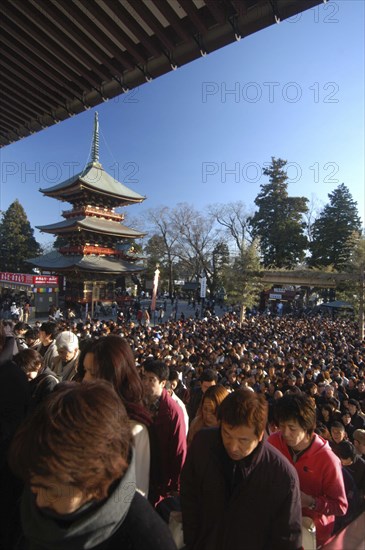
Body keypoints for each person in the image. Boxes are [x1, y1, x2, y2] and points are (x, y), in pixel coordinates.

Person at [8, 380, 177, 550]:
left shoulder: (147, 539)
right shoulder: (33, 496)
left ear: (96, 482)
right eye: (35, 488)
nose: (40, 501)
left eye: (53, 492)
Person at [180, 389, 302, 550]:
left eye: (243, 440)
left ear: (259, 436)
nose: (233, 446)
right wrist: (193, 539)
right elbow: (189, 494)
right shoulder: (203, 445)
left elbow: (287, 540)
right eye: (227, 434)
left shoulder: (282, 476)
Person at [268, 393, 348, 547]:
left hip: (312, 535)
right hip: (278, 525)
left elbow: (340, 506)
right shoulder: (273, 443)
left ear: (307, 426)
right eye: (282, 426)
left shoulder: (328, 460)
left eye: (292, 428)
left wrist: (311, 502)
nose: (285, 434)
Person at [81, 336, 152, 497]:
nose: (85, 379)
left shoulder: (134, 429)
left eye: (92, 373)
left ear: (113, 376)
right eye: (85, 371)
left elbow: (134, 494)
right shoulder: (81, 412)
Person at [142, 360, 187, 506]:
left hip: (159, 478)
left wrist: (175, 486)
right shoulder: (138, 401)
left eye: (151, 380)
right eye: (144, 378)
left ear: (163, 383)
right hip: (138, 469)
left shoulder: (173, 412)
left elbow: (179, 450)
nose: (146, 383)